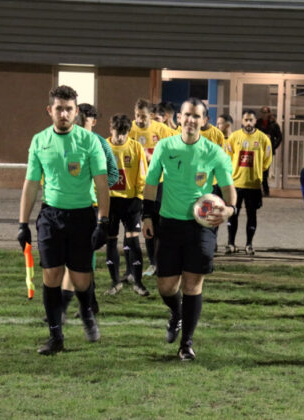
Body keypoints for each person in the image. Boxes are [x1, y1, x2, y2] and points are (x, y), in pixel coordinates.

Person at [17, 85, 110, 355]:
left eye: (69, 109)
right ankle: (55, 338)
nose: (64, 113)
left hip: (83, 216)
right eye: (59, 108)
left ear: (76, 111)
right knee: (52, 276)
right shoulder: (39, 141)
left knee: (81, 280)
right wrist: (22, 223)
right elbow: (31, 184)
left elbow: (102, 185)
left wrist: (103, 222)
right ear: (50, 110)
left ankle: (86, 311)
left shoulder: (89, 141)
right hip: (50, 216)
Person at [142, 98, 236, 361]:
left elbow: (229, 191)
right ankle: (176, 313)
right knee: (166, 287)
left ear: (204, 121)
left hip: (200, 228)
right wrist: (147, 216)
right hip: (169, 224)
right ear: (179, 118)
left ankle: (186, 344)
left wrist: (229, 210)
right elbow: (150, 184)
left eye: (197, 116)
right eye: (187, 115)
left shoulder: (214, 152)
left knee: (193, 284)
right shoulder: (165, 146)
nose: (191, 120)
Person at [54, 103, 120, 321]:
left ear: (94, 121)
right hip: (69, 206)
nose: (83, 121)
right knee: (70, 257)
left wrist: (96, 187)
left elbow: (112, 173)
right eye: (80, 117)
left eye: (87, 118)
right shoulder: (68, 142)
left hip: (90, 207)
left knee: (84, 258)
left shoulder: (101, 143)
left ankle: (85, 306)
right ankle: (89, 304)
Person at [104, 114, 150, 295]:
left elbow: (142, 175)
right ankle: (115, 283)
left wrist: (139, 198)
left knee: (133, 242)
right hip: (109, 201)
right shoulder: (103, 147)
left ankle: (138, 283)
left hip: (130, 202)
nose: (121, 136)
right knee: (111, 242)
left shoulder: (136, 147)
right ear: (111, 129)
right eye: (118, 132)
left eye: (124, 133)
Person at [129, 98, 175, 277]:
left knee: (160, 222)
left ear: (152, 115)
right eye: (137, 116)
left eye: (143, 116)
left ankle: (163, 260)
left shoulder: (162, 130)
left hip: (160, 183)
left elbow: (175, 148)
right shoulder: (130, 129)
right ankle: (152, 263)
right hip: (139, 184)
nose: (139, 120)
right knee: (146, 223)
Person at [225, 109, 272, 255]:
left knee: (252, 215)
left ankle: (249, 244)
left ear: (255, 121)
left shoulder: (263, 139)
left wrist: (257, 173)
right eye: (246, 120)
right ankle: (230, 243)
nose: (248, 122)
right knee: (233, 213)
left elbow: (267, 160)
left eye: (251, 120)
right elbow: (227, 157)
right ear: (242, 121)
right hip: (236, 184)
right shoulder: (234, 137)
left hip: (253, 184)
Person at [255, 106, 282, 196]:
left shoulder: (274, 124)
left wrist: (273, 146)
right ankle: (257, 190)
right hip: (258, 150)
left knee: (265, 172)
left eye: (266, 113)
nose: (264, 114)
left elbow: (279, 137)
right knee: (257, 171)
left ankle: (266, 191)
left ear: (269, 113)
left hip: (268, 151)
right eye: (263, 113)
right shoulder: (257, 123)